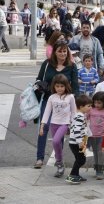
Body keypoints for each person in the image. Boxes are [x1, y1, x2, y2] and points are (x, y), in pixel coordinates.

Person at [34, 41, 79, 169]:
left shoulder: (72, 66)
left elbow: (75, 87)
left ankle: (59, 159)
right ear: (54, 52)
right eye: (60, 51)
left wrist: (74, 105)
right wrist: (41, 85)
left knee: (60, 132)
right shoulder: (47, 64)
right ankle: (39, 158)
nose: (63, 54)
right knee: (44, 127)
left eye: (65, 51)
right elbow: (38, 79)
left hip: (64, 103)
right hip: (48, 99)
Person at [39, 74, 77, 178]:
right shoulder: (52, 97)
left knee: (55, 141)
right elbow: (47, 112)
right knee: (57, 144)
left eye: (62, 86)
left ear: (66, 86)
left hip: (64, 124)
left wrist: (73, 126)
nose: (59, 88)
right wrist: (42, 125)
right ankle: (60, 166)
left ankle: (59, 162)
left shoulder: (70, 97)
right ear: (54, 86)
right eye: (57, 86)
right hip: (53, 124)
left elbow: (74, 112)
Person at [65, 95, 92, 184]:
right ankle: (72, 176)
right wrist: (80, 141)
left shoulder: (79, 115)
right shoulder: (79, 116)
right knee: (81, 160)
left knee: (79, 159)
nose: (90, 108)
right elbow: (76, 130)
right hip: (76, 143)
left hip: (76, 142)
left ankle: (76, 175)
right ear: (81, 107)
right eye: (88, 106)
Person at [87, 92, 104, 180]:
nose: (96, 104)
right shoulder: (91, 110)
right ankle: (97, 169)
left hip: (102, 135)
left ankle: (100, 171)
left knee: (100, 152)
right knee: (95, 152)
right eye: (95, 102)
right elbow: (86, 118)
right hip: (92, 135)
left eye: (99, 103)